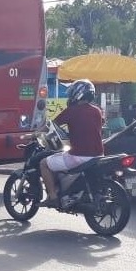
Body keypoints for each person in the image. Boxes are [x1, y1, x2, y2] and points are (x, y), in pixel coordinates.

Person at [40, 79, 105, 207]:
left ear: (78, 94)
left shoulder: (72, 111)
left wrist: (35, 133)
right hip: (98, 155)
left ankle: (52, 197)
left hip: (79, 156)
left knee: (44, 164)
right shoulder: (97, 111)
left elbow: (50, 125)